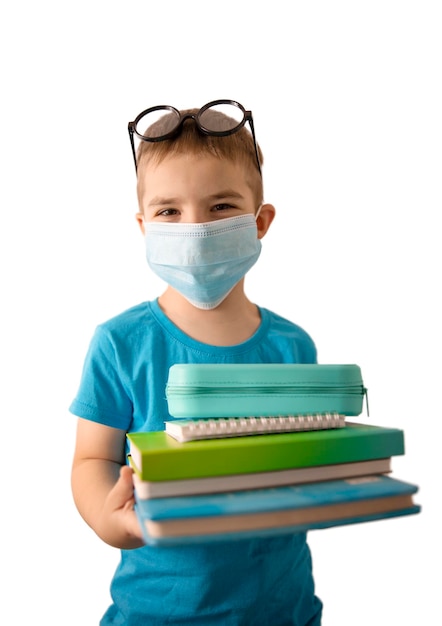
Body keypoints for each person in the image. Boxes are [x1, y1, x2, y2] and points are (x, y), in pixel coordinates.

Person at [70, 100, 323, 625]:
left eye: (220, 207)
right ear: (144, 226)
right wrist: (108, 518)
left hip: (284, 609)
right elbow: (92, 460)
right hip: (159, 613)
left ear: (261, 222)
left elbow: (304, 460)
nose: (195, 227)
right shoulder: (121, 345)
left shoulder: (294, 348)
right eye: (169, 211)